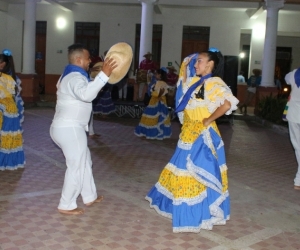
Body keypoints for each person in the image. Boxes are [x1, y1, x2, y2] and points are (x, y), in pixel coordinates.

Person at [145, 47, 239, 233]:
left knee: (195, 172)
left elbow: (228, 104)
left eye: (200, 61)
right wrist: (185, 69)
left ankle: (196, 214)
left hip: (202, 135)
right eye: (196, 61)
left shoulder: (214, 83)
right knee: (183, 171)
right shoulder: (195, 81)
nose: (196, 64)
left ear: (210, 64)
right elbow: (183, 92)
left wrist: (208, 120)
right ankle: (186, 211)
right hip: (188, 132)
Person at [50, 43, 117, 215]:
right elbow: (86, 94)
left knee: (85, 162)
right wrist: (104, 76)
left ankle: (89, 196)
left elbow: (85, 89)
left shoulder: (71, 75)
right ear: (79, 59)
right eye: (88, 58)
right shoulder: (74, 77)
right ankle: (66, 204)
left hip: (68, 127)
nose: (90, 62)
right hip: (69, 128)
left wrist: (100, 77)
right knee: (76, 166)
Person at [134, 68, 171, 140]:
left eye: (156, 74)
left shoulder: (160, 83)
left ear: (160, 75)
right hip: (158, 100)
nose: (155, 75)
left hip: (157, 100)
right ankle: (156, 133)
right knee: (157, 116)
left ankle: (153, 133)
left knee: (154, 115)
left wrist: (158, 96)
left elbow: (161, 91)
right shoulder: (160, 82)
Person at [0, 72, 25, 171]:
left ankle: (6, 160)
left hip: (9, 111)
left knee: (7, 137)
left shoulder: (9, 78)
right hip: (7, 110)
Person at [284, 68, 300, 190]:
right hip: (294, 115)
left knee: (298, 147)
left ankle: (298, 180)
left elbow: (286, 78)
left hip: (294, 114)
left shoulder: (294, 73)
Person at [0, 49, 24, 127]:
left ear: (7, 63)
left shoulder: (11, 77)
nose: (0, 65)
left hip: (8, 106)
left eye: (1, 62)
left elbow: (14, 94)